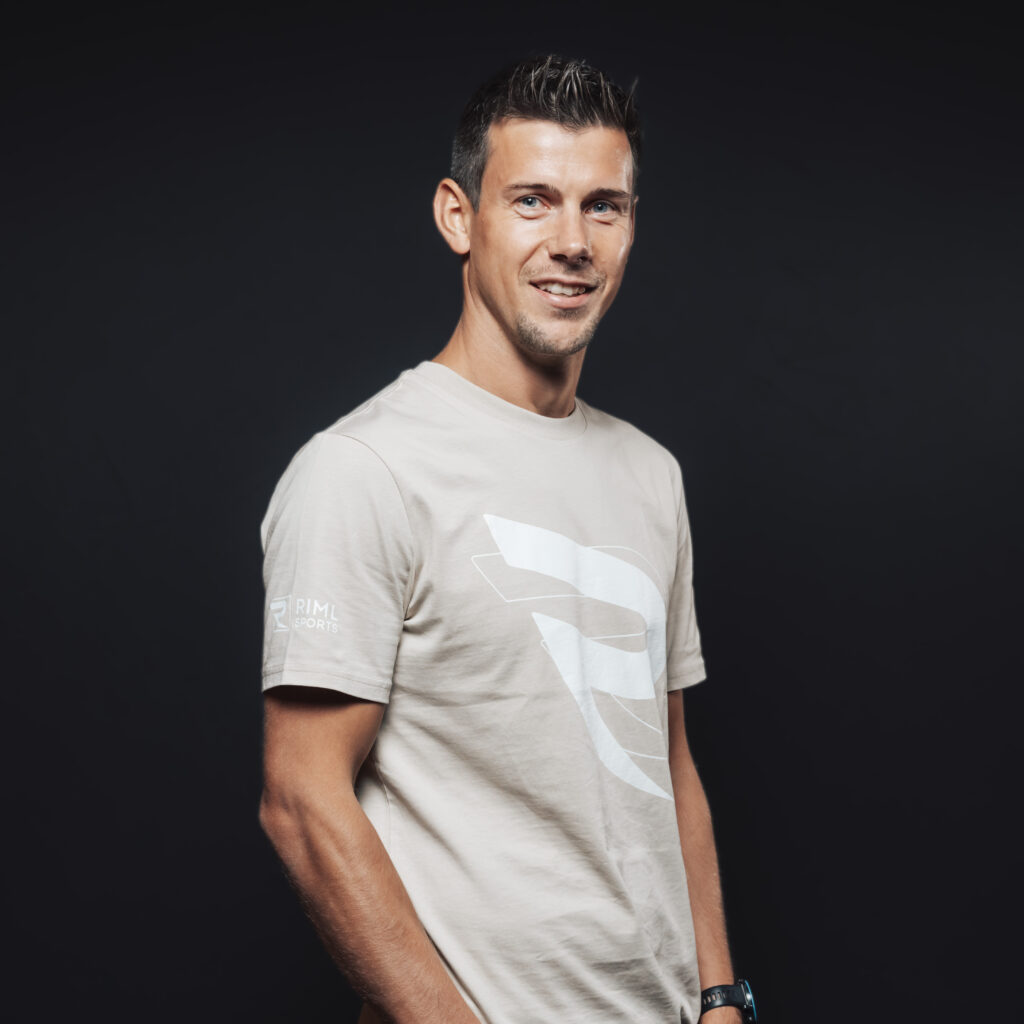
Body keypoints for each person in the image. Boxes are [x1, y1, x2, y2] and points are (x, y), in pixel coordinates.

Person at [258, 55, 754, 1024]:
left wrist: (719, 997)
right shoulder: (363, 470)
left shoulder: (651, 474)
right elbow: (302, 802)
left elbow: (667, 762)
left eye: (602, 207)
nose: (571, 242)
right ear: (458, 216)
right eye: (532, 201)